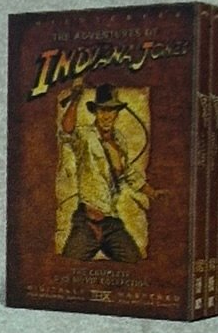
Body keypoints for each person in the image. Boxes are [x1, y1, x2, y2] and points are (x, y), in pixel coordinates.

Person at [55, 82, 153, 262]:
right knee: (65, 266)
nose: (107, 116)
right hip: (86, 223)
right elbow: (67, 130)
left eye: (111, 110)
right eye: (102, 111)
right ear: (96, 112)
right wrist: (75, 100)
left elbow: (128, 173)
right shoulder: (85, 136)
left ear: (116, 113)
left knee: (136, 263)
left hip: (112, 224)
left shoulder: (119, 140)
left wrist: (151, 192)